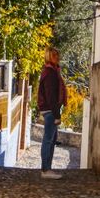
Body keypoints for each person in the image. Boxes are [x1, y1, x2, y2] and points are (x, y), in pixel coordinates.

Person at [37, 47, 67, 177]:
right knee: (48, 140)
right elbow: (51, 96)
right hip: (50, 110)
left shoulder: (51, 71)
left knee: (51, 139)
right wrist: (57, 115)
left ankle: (47, 169)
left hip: (49, 110)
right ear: (49, 57)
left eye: (58, 55)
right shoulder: (50, 73)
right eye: (55, 55)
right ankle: (45, 170)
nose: (57, 57)